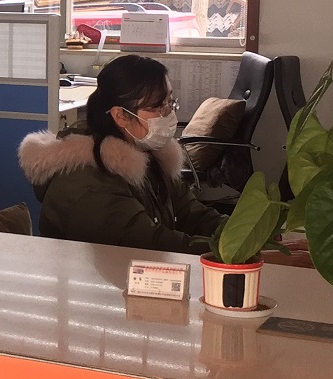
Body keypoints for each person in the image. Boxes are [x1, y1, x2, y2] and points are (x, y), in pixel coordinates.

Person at [19, 54, 223, 254]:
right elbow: (150, 245)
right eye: (157, 107)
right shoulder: (87, 183)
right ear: (121, 115)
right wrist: (225, 252)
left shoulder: (147, 151)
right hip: (101, 275)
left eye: (170, 102)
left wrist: (233, 232)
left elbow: (191, 212)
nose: (168, 114)